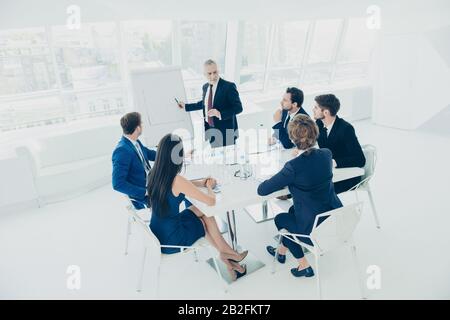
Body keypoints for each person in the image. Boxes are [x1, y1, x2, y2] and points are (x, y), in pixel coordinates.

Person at [147, 133, 248, 281]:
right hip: (173, 240)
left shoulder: (154, 173)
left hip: (158, 232)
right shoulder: (176, 179)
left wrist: (201, 182)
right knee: (205, 217)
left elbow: (183, 186)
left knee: (204, 213)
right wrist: (209, 186)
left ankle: (227, 253)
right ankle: (227, 254)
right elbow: (211, 201)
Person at [257, 115, 343, 278]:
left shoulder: (292, 167)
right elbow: (311, 168)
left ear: (292, 138)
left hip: (315, 230)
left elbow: (262, 190)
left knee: (281, 220)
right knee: (291, 210)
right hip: (335, 220)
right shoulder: (326, 154)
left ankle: (303, 265)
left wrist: (292, 166)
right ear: (315, 133)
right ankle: (281, 252)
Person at [177, 59, 243, 148]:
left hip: (227, 133)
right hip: (211, 130)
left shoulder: (229, 86)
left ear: (218, 71)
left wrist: (219, 114)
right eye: (209, 73)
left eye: (215, 72)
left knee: (229, 160)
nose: (213, 76)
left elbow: (238, 108)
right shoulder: (205, 87)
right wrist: (186, 106)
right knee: (217, 159)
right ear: (204, 74)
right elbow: (204, 103)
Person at [312, 94, 366, 194]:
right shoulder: (319, 123)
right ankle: (289, 194)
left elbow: (360, 159)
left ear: (326, 112)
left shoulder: (346, 129)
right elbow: (311, 139)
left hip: (348, 177)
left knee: (315, 190)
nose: (313, 109)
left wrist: (334, 162)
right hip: (330, 173)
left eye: (316, 107)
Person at [112, 112, 156, 209]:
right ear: (137, 128)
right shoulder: (122, 151)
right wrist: (145, 192)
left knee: (180, 186)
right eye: (141, 123)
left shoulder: (135, 142)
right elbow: (117, 184)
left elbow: (150, 154)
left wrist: (172, 155)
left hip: (152, 183)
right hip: (143, 195)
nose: (142, 126)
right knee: (179, 192)